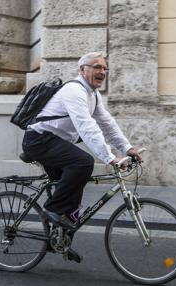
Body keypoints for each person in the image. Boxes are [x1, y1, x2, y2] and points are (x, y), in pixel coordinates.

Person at [22, 52, 141, 262]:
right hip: (39, 140)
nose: (102, 72)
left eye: (105, 68)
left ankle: (58, 241)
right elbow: (87, 128)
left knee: (73, 204)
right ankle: (52, 209)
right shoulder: (74, 90)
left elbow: (107, 124)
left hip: (56, 143)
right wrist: (110, 158)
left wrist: (128, 148)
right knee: (83, 162)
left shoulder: (93, 95)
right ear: (82, 69)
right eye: (96, 67)